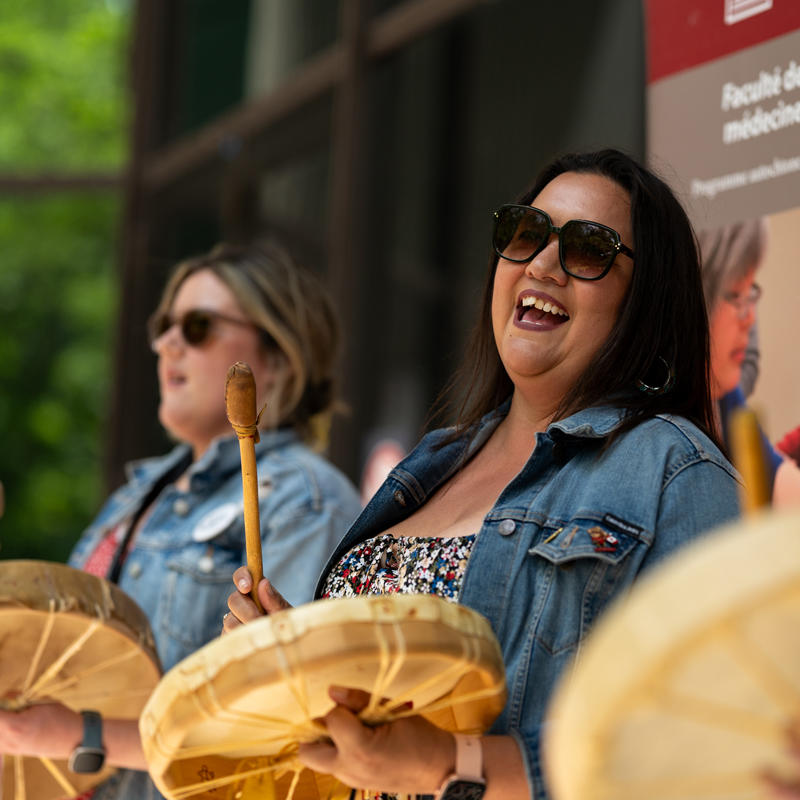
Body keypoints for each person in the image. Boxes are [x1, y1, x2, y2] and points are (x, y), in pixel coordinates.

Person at [226, 150, 741, 799]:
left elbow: (719, 744)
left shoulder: (675, 469)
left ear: (647, 302)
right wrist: (292, 670)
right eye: (526, 234)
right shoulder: (434, 461)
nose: (542, 265)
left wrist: (453, 764)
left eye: (588, 249)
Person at [0, 241, 362, 799]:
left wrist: (83, 735)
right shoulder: (140, 493)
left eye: (197, 326)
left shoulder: (307, 500)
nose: (166, 343)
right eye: (163, 326)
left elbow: (285, 732)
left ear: (278, 356)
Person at [698, 220, 800, 506]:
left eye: (750, 292)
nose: (750, 318)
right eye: (735, 295)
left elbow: (776, 479)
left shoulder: (724, 399)